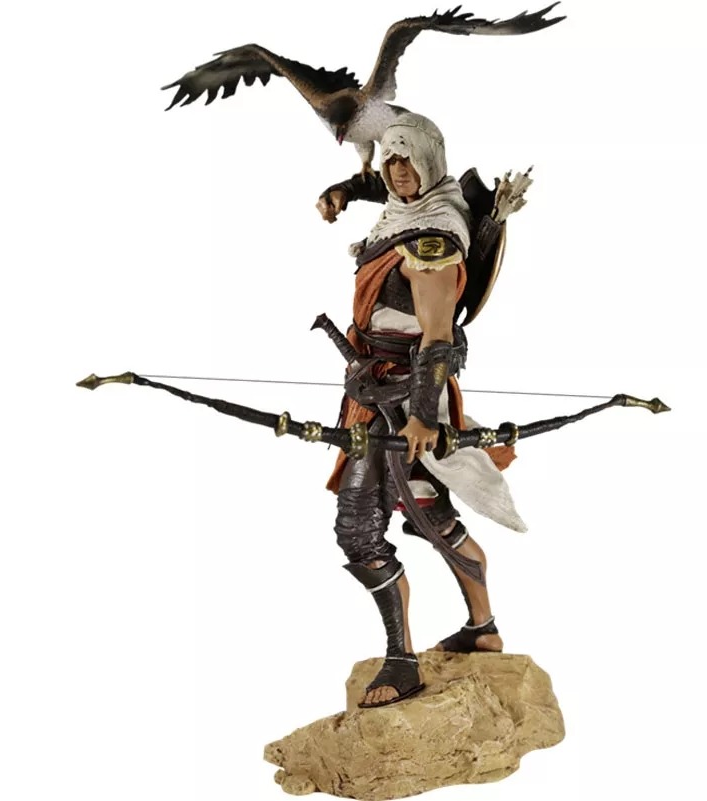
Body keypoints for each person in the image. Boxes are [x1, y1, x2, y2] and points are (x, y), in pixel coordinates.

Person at [316, 114, 526, 708]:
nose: (398, 171)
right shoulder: (404, 213)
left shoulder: (431, 239)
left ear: (431, 161)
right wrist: (342, 190)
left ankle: (403, 662)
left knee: (362, 530)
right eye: (390, 160)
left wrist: (424, 419)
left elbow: (437, 338)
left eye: (408, 160)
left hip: (405, 402)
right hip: (374, 394)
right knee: (427, 513)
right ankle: (483, 630)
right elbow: (373, 186)